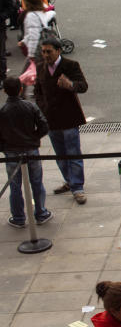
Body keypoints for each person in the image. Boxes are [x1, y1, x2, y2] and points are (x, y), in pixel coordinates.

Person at [35, 37, 88, 205]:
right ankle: (69, 180)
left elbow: (83, 86)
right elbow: (38, 91)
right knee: (60, 154)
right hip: (51, 119)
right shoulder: (40, 67)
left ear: (58, 51)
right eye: (43, 52)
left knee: (73, 152)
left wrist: (70, 85)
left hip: (69, 117)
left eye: (49, 51)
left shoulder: (70, 65)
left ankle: (77, 187)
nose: (45, 55)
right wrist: (42, 107)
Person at [0, 77, 53, 228]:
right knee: (36, 181)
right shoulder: (30, 107)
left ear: (4, 91)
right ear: (21, 89)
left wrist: (4, 147)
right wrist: (34, 139)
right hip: (31, 149)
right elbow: (44, 126)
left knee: (15, 185)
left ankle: (18, 217)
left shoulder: (2, 111)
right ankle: (41, 213)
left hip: (11, 151)